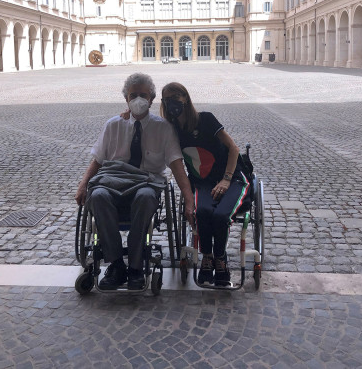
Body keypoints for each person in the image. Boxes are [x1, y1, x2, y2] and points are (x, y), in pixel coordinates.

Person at [75, 73, 194, 291]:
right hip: (112, 182)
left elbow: (177, 166)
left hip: (146, 183)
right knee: (98, 195)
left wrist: (189, 201)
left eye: (143, 95)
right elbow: (98, 160)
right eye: (133, 95)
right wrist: (83, 185)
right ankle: (117, 265)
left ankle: (136, 266)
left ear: (151, 99)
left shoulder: (163, 128)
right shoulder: (113, 125)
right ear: (126, 99)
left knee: (146, 196)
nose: (138, 99)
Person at [160, 82, 251, 287]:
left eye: (176, 96)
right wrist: (127, 114)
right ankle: (207, 258)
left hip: (232, 178)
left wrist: (226, 179)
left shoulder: (206, 119)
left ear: (186, 97)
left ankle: (220, 259)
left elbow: (234, 149)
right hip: (203, 182)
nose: (172, 102)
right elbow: (150, 124)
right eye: (167, 99)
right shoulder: (172, 129)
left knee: (220, 216)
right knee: (201, 213)